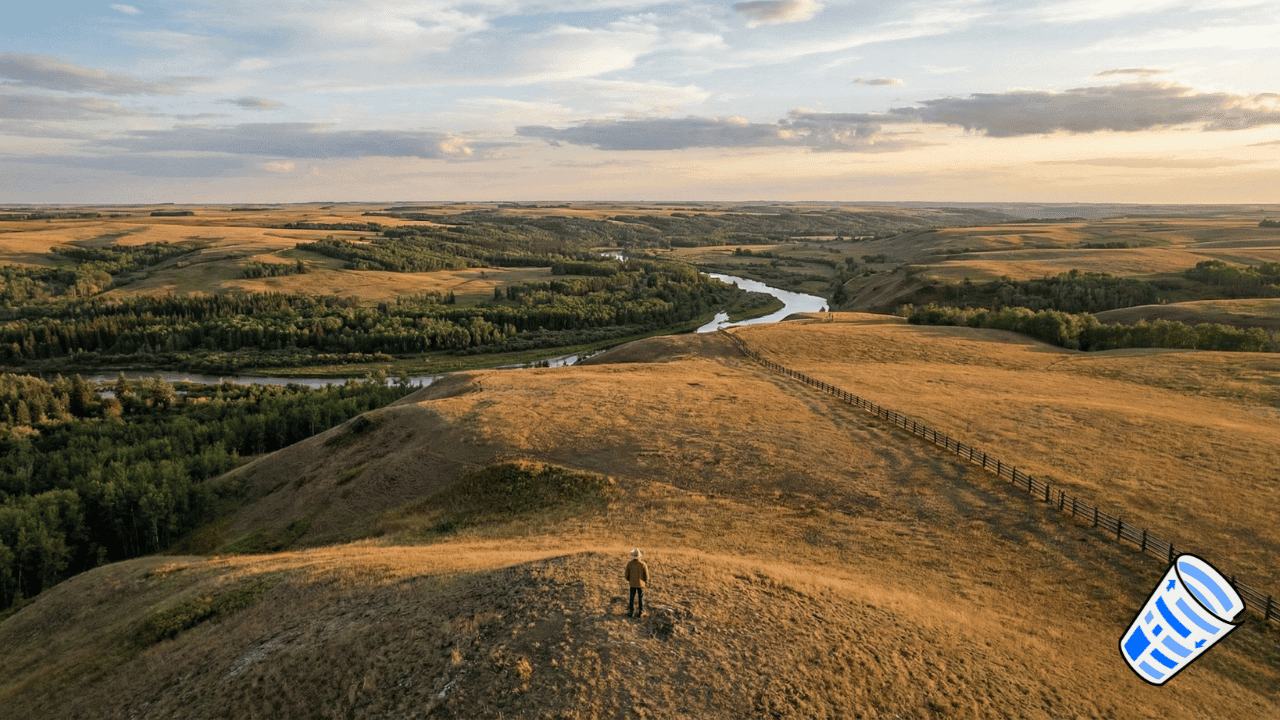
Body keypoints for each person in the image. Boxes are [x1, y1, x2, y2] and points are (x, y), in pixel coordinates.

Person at [625, 548, 649, 618]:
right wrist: (645, 581)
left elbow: (626, 575)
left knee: (631, 597)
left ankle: (631, 612)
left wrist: (629, 580)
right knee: (641, 597)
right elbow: (646, 575)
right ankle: (641, 612)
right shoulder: (643, 564)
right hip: (641, 584)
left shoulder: (629, 564)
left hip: (632, 584)